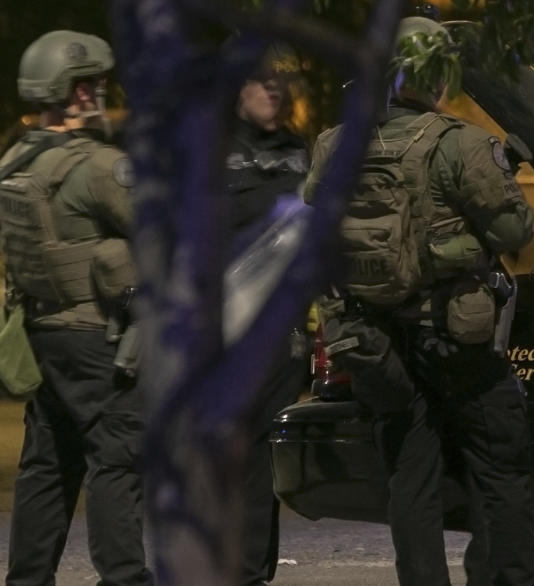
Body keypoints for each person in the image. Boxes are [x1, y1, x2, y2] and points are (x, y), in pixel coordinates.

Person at [304, 16, 534, 586]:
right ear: (439, 74)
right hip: (454, 336)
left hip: (372, 339)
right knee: (500, 468)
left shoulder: (334, 145)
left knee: (410, 477)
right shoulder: (460, 144)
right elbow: (515, 234)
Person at [0, 31, 152, 586]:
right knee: (116, 461)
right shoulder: (96, 165)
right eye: (95, 83)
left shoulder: (16, 159)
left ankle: (28, 579)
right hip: (100, 338)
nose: (101, 92)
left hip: (43, 331)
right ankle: (125, 577)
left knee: (46, 465)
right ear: (76, 92)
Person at [225, 43, 311, 586]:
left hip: (279, 329)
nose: (276, 89)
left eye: (284, 81)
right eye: (264, 80)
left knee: (261, 455)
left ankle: (251, 572)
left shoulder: (301, 152)